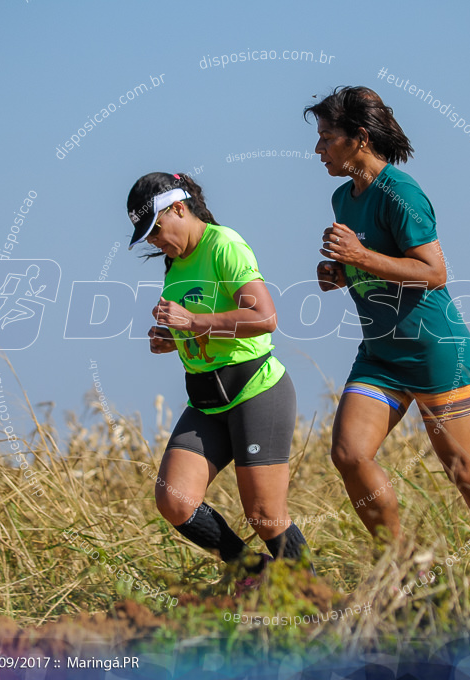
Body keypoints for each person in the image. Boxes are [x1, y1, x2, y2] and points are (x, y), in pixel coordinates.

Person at [303, 87, 470, 555]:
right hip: (380, 356)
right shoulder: (343, 198)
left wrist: (360, 254)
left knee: (461, 468)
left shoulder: (400, 192)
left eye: (325, 138)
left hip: (432, 350)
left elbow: (434, 272)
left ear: (358, 138)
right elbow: (377, 264)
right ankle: (401, 569)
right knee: (349, 454)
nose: (317, 149)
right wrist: (341, 272)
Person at [125, 171, 309, 574]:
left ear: (178, 209)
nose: (155, 242)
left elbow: (264, 316)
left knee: (264, 513)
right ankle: (254, 573)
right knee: (174, 500)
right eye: (148, 237)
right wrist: (172, 339)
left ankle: (312, 597)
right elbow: (199, 327)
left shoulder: (224, 244)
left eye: (156, 230)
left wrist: (191, 322)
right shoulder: (173, 263)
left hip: (255, 392)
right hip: (206, 401)